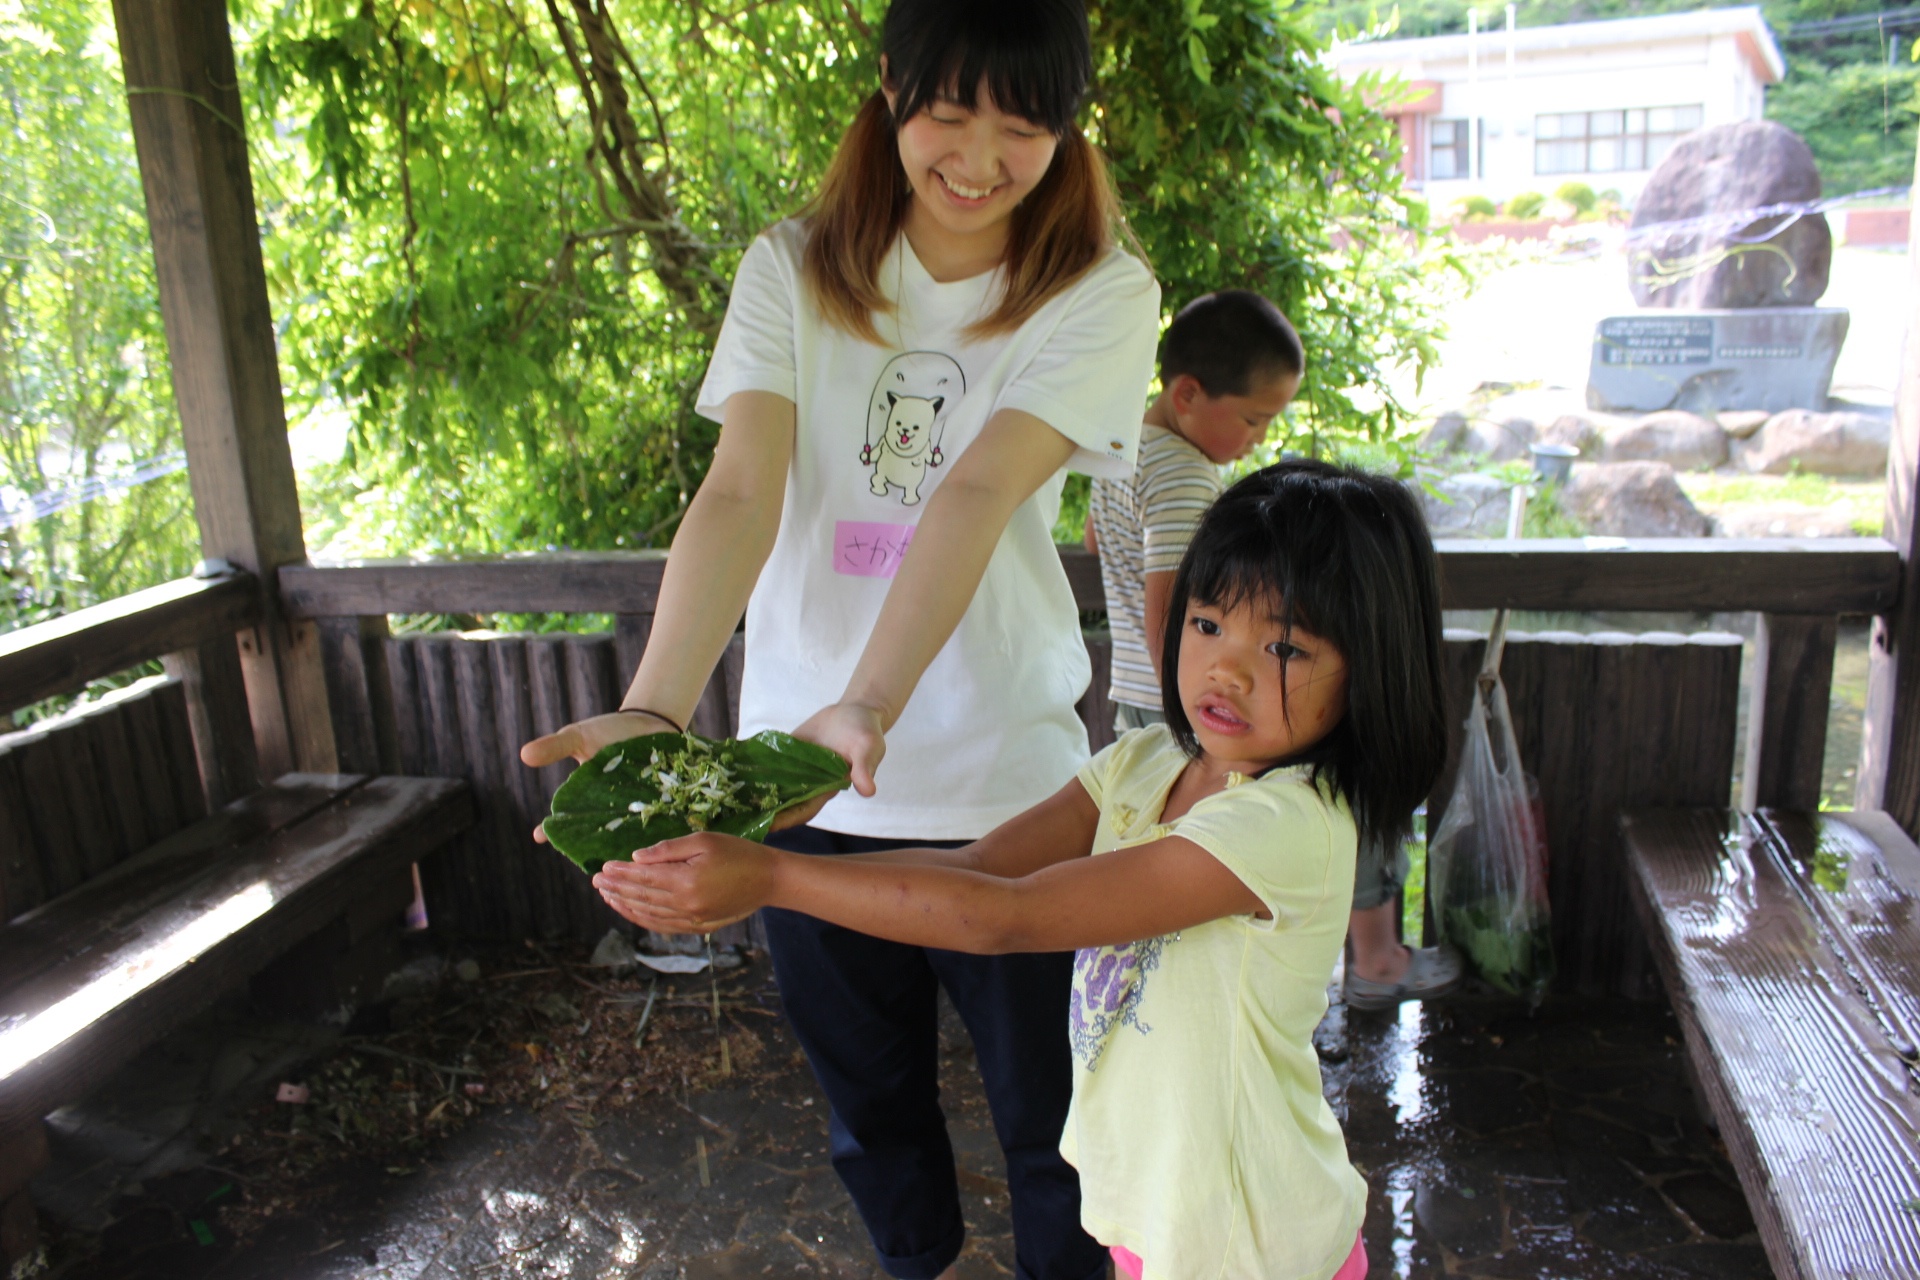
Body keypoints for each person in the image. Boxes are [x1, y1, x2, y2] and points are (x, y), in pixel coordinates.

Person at [518, 2, 1160, 1277]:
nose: (980, 158)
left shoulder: (1098, 288)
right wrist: (656, 710)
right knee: (873, 1119)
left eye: (1024, 126)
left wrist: (871, 696)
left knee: (1062, 1129)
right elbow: (742, 490)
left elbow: (975, 491)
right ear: (888, 85)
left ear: (1066, 129)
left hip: (1012, 796)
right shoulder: (792, 266)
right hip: (801, 793)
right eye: (951, 112)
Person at [593, 460, 1451, 1280]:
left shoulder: (1286, 824)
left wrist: (772, 877)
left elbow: (1006, 916)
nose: (1225, 666)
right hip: (1156, 1210)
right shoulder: (1146, 761)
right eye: (1208, 622)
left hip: (1251, 1238)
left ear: (1368, 673)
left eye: (1287, 650)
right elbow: (979, 869)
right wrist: (771, 818)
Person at [1083, 291, 1461, 1014]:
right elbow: (1180, 602)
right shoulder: (1186, 475)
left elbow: (1105, 546)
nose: (1258, 439)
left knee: (1178, 854)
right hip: (1194, 707)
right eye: (1253, 418)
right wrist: (1204, 679)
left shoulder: (1122, 452)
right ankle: (1370, 958)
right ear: (1188, 393)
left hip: (1150, 698)